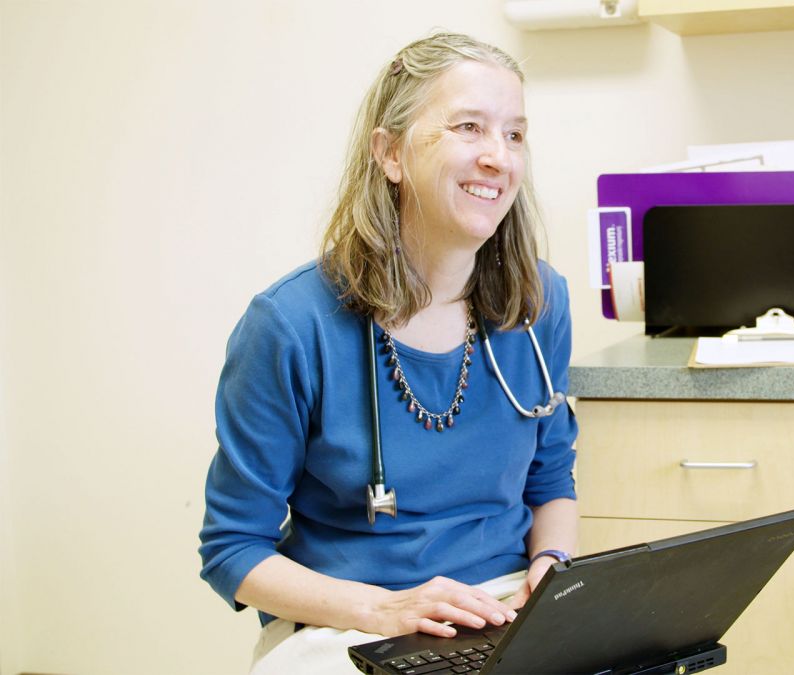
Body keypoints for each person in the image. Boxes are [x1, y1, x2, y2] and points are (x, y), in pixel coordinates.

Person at [198, 32, 578, 673]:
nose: (498, 157)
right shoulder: (291, 326)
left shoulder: (539, 303)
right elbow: (233, 550)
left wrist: (552, 569)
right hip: (351, 624)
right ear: (391, 153)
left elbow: (551, 476)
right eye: (469, 127)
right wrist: (384, 610)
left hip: (509, 612)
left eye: (514, 135)